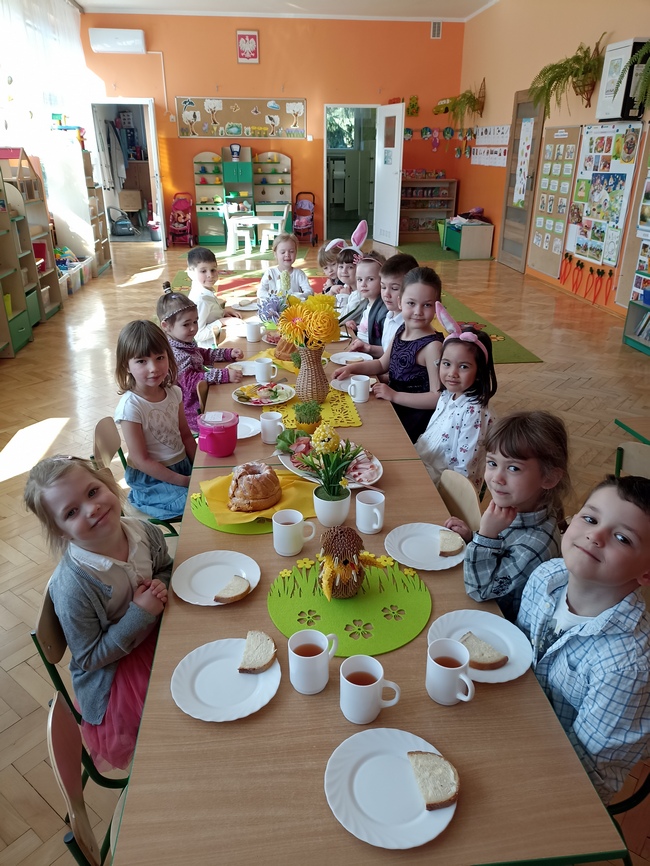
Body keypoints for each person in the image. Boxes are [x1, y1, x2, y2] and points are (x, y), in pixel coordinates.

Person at [24, 456, 172, 770]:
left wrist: (160, 584)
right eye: (71, 512)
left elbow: (165, 568)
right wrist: (138, 613)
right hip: (117, 673)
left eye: (93, 492)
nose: (91, 508)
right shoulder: (73, 587)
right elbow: (89, 657)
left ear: (108, 485)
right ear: (61, 531)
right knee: (171, 723)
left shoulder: (144, 532)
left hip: (159, 627)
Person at [516, 475, 650, 804]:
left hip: (550, 778)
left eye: (622, 538)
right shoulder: (546, 576)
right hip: (514, 718)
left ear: (646, 573)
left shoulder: (627, 666)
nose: (595, 535)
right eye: (590, 519)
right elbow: (516, 656)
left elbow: (592, 779)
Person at [445, 411, 570, 621]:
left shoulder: (535, 545)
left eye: (513, 468)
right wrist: (472, 537)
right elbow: (502, 553)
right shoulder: (516, 507)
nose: (497, 478)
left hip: (501, 621)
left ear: (549, 478)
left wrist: (485, 537)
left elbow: (480, 591)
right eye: (492, 463)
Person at [333, 267, 443, 442]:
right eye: (411, 303)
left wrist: (394, 395)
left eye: (427, 305)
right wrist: (352, 369)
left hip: (413, 421)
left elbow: (437, 397)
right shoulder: (402, 330)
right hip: (392, 406)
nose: (418, 311)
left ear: (437, 307)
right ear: (400, 302)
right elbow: (381, 364)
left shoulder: (433, 346)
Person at [114, 320, 196, 521]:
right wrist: (184, 481)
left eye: (160, 358)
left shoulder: (173, 392)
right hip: (152, 482)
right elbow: (141, 460)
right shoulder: (131, 408)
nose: (154, 368)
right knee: (199, 502)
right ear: (126, 365)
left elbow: (186, 436)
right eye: (142, 361)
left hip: (182, 466)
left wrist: (198, 467)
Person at [415, 301, 497, 487]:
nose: (452, 373)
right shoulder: (447, 395)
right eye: (446, 364)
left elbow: (464, 471)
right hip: (424, 468)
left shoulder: (474, 412)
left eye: (463, 367)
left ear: (479, 372)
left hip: (443, 487)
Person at [157, 286, 244, 434]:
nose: (193, 328)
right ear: (166, 326)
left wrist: (227, 354)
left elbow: (202, 354)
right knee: (235, 414)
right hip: (193, 413)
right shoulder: (175, 354)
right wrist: (224, 375)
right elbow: (192, 381)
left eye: (195, 321)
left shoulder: (182, 342)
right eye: (186, 324)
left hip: (204, 398)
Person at [349, 253, 418, 358]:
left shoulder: (406, 323)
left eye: (394, 288)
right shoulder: (390, 317)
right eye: (383, 287)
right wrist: (367, 347)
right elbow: (387, 356)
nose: (386, 294)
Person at [187, 247, 241, 350]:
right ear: (191, 273)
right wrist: (222, 321)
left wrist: (222, 312)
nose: (210, 275)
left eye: (213, 270)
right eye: (203, 271)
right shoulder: (200, 300)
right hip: (210, 350)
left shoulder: (205, 291)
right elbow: (198, 335)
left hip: (217, 340)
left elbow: (208, 313)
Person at [257, 233, 312, 300]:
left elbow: (309, 292)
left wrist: (297, 296)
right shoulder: (270, 273)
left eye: (291, 251)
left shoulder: (299, 274)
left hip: (294, 305)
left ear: (296, 252)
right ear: (275, 254)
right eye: (283, 252)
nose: (287, 255)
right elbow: (260, 292)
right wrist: (273, 297)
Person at [349, 255, 386, 348]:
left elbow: (386, 348)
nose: (363, 284)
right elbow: (365, 333)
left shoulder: (384, 311)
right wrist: (355, 328)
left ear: (383, 280)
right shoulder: (367, 304)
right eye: (359, 279)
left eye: (370, 279)